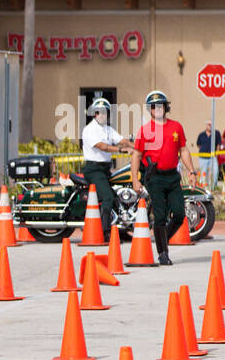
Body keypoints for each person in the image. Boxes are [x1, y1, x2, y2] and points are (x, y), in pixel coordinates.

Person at [130, 90, 198, 265]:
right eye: (153, 107)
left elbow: (183, 150)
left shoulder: (176, 127)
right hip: (155, 178)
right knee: (160, 216)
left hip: (173, 177)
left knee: (179, 214)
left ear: (166, 107)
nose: (157, 109)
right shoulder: (145, 130)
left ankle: (163, 238)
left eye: (160, 105)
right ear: (149, 110)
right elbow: (136, 155)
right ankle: (163, 253)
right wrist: (135, 179)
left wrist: (191, 171)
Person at [79, 97, 132, 240]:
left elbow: (122, 140)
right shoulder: (89, 129)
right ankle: (105, 232)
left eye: (105, 112)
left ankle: (121, 231)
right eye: (99, 112)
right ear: (95, 114)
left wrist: (136, 146)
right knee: (108, 197)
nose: (102, 115)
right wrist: (121, 150)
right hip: (94, 170)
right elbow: (102, 146)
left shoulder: (108, 129)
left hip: (105, 170)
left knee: (117, 197)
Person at [196, 119, 220, 190]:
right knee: (203, 173)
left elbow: (218, 144)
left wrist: (217, 154)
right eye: (208, 124)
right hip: (203, 158)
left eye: (211, 124)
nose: (209, 126)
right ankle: (202, 187)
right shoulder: (201, 135)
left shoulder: (216, 133)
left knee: (215, 171)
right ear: (206, 125)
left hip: (212, 157)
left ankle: (213, 187)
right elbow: (198, 145)